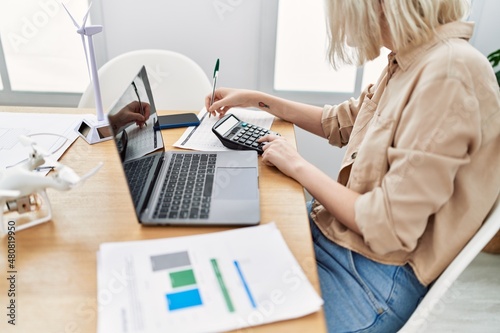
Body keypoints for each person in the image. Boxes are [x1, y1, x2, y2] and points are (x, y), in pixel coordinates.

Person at [205, 0, 500, 332]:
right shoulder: (411, 58)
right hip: (332, 234)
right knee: (216, 251)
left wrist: (297, 165)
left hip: (371, 273)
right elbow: (339, 122)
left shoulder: (450, 72)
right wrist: (257, 99)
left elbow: (387, 226)